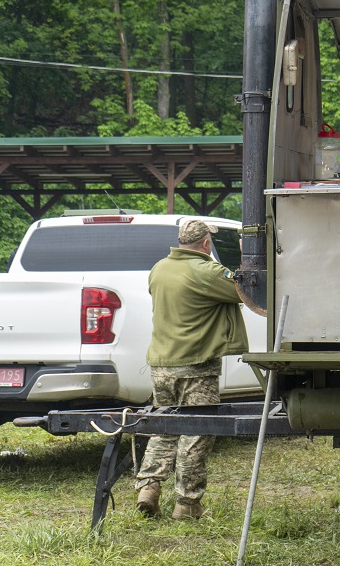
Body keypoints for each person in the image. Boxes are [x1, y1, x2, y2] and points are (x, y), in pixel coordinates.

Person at [135, 219, 248, 520]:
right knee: (196, 433)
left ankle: (148, 486)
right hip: (195, 366)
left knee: (164, 428)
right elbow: (244, 290)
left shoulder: (159, 268)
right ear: (206, 244)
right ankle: (187, 504)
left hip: (160, 364)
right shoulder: (207, 272)